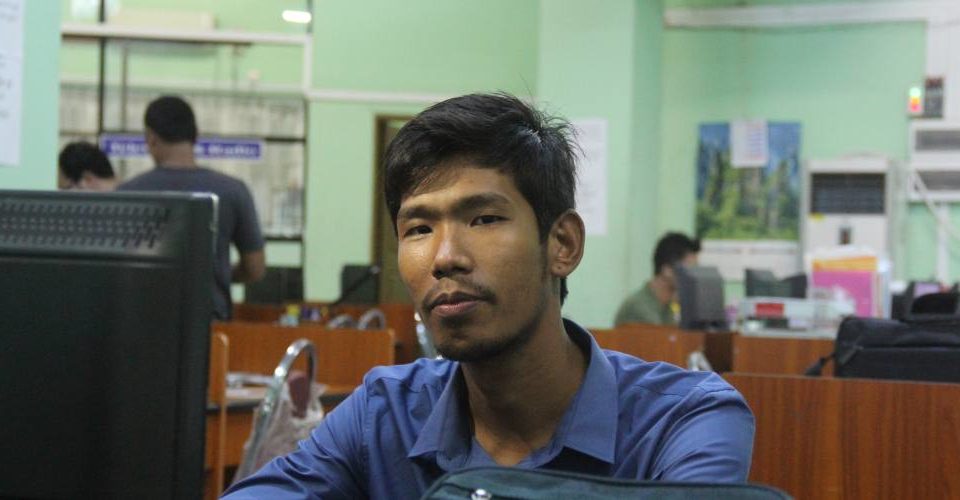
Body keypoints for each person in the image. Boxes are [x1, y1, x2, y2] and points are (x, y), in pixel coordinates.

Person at [223, 93, 753, 499]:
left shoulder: (683, 420)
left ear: (563, 244)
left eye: (483, 219)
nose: (445, 256)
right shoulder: (385, 412)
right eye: (418, 228)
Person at [117, 95, 265, 320]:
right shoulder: (233, 190)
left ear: (151, 138)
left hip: (142, 320)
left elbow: (119, 268)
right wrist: (220, 274)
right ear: (196, 135)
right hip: (210, 321)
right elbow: (255, 268)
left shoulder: (128, 193)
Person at [614, 232, 701, 326]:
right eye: (689, 269)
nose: (694, 276)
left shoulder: (666, 306)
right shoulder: (639, 309)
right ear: (667, 270)